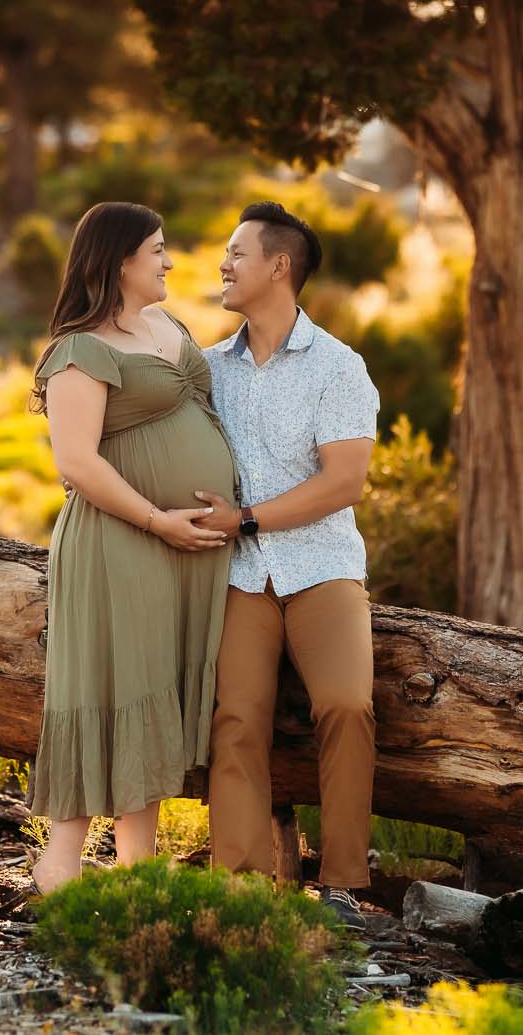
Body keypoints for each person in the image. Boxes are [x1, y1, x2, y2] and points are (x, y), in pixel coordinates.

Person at [25, 201, 240, 893]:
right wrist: (158, 520)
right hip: (122, 540)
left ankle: (136, 866)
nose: (169, 260)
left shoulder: (167, 327)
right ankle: (59, 864)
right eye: (157, 248)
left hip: (185, 549)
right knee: (110, 687)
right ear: (120, 260)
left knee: (153, 690)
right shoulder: (79, 350)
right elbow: (77, 463)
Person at [194, 200, 381, 931]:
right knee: (237, 717)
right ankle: (237, 889)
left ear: (280, 265)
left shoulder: (340, 367)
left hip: (323, 566)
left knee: (346, 704)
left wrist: (244, 517)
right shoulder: (207, 368)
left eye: (237, 251)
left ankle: (343, 886)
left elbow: (344, 482)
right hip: (240, 575)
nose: (223, 263)